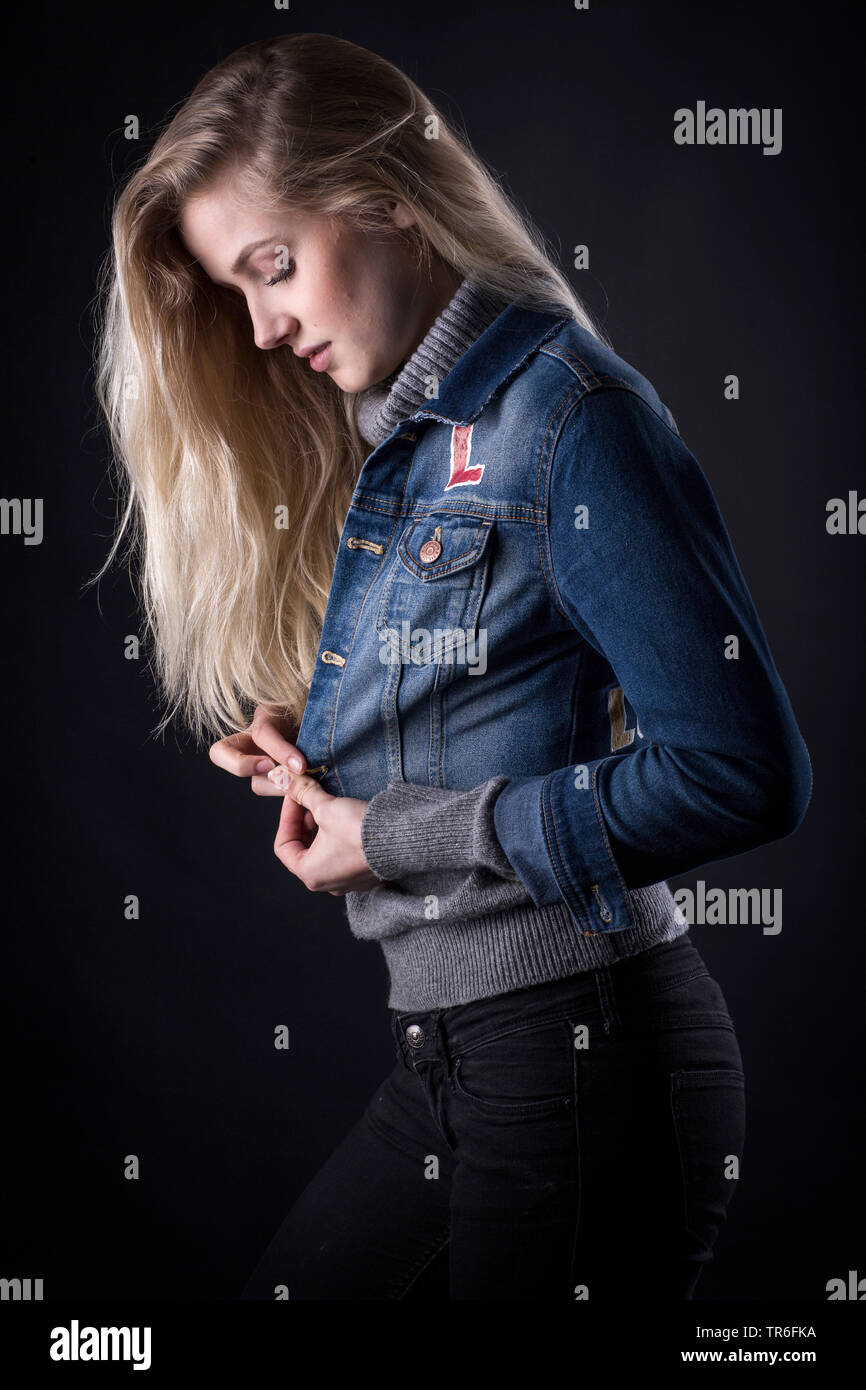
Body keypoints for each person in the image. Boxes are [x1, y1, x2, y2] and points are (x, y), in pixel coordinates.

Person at [92, 32, 812, 1300]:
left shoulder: (568, 417)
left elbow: (742, 772)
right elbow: (491, 687)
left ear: (384, 194)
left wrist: (405, 834)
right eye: (235, 292)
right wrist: (314, 736)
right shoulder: (416, 439)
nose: (260, 330)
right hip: (452, 1059)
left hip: (583, 1054)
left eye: (274, 269)